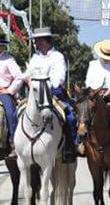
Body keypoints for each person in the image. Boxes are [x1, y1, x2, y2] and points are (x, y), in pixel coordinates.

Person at [27, 27, 78, 163]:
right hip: (36, 93)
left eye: (37, 40)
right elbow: (29, 73)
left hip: (53, 93)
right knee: (17, 113)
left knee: (70, 116)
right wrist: (28, 80)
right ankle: (18, 146)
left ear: (44, 41)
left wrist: (45, 84)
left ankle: (71, 147)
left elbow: (59, 77)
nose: (35, 43)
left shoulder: (58, 57)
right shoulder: (35, 57)